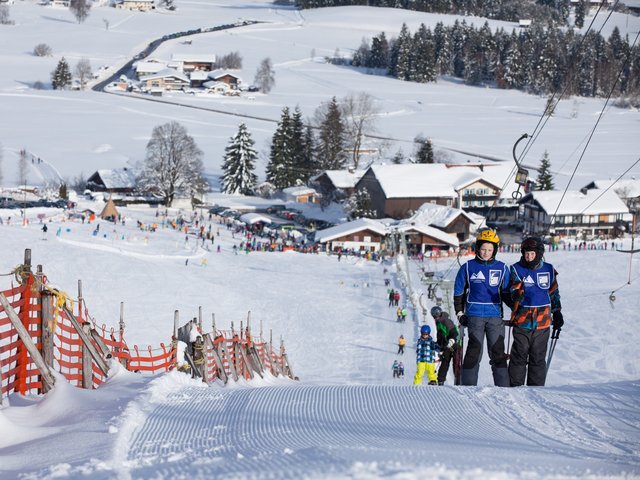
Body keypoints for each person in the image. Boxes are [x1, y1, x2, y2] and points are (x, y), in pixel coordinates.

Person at [453, 229, 511, 387]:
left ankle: (504, 389)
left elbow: (506, 293)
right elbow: (458, 292)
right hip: (474, 316)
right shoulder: (467, 267)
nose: (486, 253)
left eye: (490, 250)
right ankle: (468, 388)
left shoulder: (502, 268)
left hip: (495, 317)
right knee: (474, 352)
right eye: (483, 249)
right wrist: (459, 313)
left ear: (495, 250)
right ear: (478, 248)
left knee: (497, 353)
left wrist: (516, 305)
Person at [508, 237, 563, 387]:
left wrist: (557, 312)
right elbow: (512, 289)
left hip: (543, 321)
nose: (529, 257)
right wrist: (516, 294)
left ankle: (536, 389)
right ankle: (515, 387)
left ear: (538, 253)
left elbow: (553, 292)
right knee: (519, 354)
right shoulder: (516, 269)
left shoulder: (549, 269)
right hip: (522, 321)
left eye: (532, 254)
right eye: (526, 253)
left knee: (538, 357)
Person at [430, 305, 461, 385]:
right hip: (447, 345)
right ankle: (440, 380)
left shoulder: (446, 321)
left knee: (456, 363)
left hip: (455, 344)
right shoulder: (438, 322)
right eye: (434, 316)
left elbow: (454, 332)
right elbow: (440, 335)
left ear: (439, 314)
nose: (435, 318)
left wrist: (452, 340)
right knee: (445, 361)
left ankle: (458, 380)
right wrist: (439, 345)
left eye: (436, 316)